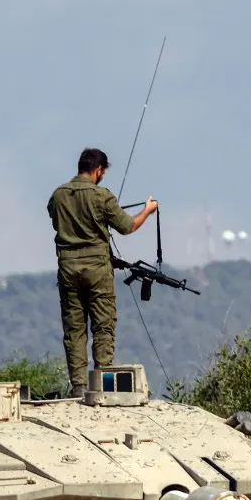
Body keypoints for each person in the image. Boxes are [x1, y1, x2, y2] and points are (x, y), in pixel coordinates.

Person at [48, 148, 158, 397]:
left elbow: (55, 219)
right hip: (97, 270)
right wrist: (147, 211)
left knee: (74, 329)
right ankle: (104, 382)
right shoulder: (102, 196)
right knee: (103, 326)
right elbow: (128, 226)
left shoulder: (58, 195)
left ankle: (78, 386)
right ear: (98, 170)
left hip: (68, 270)